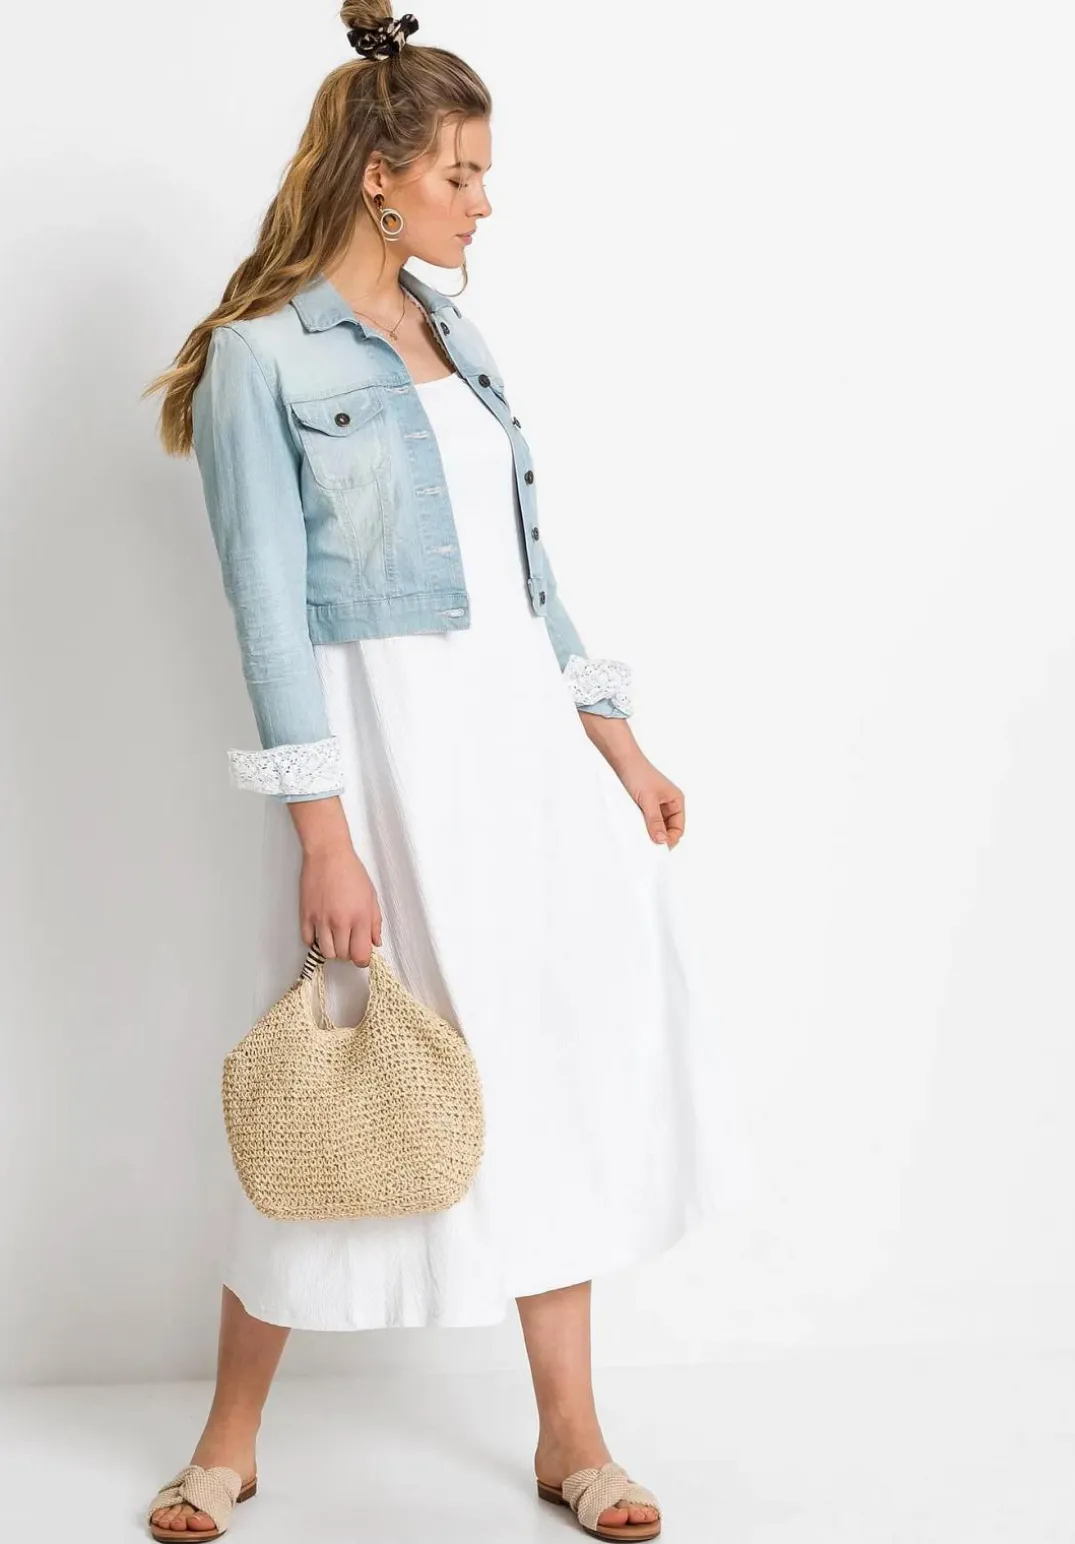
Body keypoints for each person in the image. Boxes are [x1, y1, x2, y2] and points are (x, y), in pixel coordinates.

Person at [141, 6, 710, 1540]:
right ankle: (229, 1440)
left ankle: (571, 1439)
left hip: (520, 755)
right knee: (336, 1066)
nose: (484, 202)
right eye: (462, 174)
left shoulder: (461, 338)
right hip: (382, 757)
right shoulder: (260, 360)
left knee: (546, 1066)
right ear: (379, 178)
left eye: (483, 172)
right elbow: (270, 615)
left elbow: (533, 579)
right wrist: (323, 835)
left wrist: (616, 742)